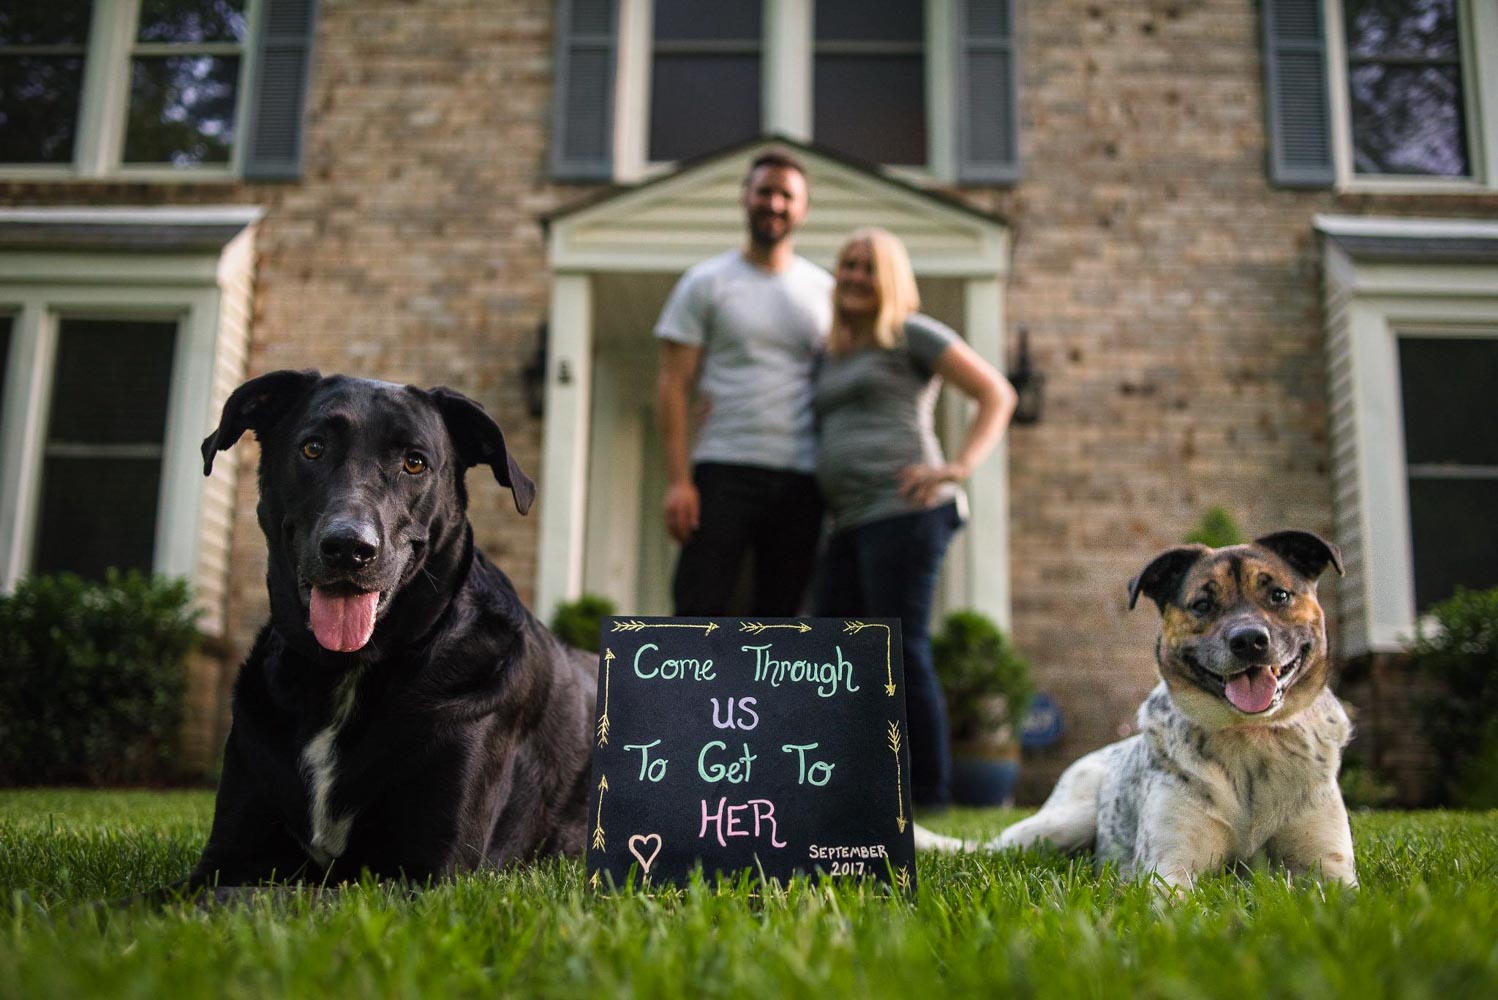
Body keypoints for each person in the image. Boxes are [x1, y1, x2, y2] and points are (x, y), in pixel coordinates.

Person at [812, 227, 1018, 809]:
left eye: (868, 267)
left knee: (901, 648)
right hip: (849, 521)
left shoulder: (911, 334)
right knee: (833, 651)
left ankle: (928, 792)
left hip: (906, 512)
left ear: (891, 279)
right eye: (847, 265)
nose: (854, 276)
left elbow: (997, 394)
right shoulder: (831, 351)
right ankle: (848, 783)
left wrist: (957, 466)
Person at [654, 151, 834, 616]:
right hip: (722, 467)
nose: (774, 203)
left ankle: (775, 695)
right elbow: (673, 385)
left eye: (786, 196)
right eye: (764, 192)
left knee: (785, 617)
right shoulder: (705, 283)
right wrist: (679, 481)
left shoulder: (825, 291)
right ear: (746, 198)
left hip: (803, 475)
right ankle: (686, 695)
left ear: (803, 209)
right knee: (698, 607)